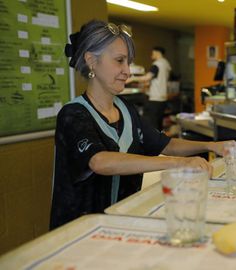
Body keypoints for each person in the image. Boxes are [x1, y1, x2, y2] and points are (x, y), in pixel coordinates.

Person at [50, 20, 226, 229]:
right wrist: (177, 163)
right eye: (119, 61)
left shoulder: (125, 109)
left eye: (128, 62)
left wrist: (210, 146)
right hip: (81, 231)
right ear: (91, 61)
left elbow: (165, 144)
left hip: (122, 223)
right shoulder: (73, 114)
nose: (128, 71)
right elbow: (100, 162)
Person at [126, 46, 170, 131]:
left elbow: (147, 78)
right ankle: (160, 141)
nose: (151, 56)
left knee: (153, 124)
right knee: (159, 122)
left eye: (153, 53)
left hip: (155, 98)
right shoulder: (166, 63)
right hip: (163, 98)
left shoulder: (157, 64)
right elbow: (158, 79)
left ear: (157, 53)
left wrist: (131, 79)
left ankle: (154, 143)